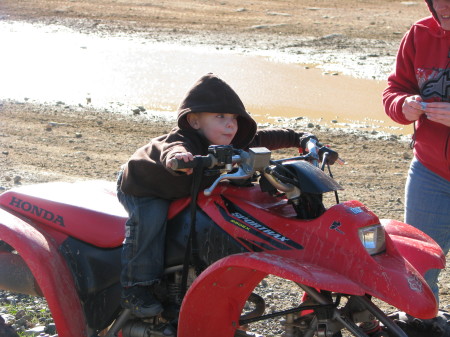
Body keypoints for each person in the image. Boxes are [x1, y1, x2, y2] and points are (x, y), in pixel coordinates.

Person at [116, 73, 322, 317]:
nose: (230, 124)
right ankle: (136, 287)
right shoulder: (183, 139)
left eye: (234, 118)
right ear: (194, 121)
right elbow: (172, 149)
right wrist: (179, 159)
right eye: (220, 116)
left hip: (188, 187)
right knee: (150, 223)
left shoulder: (235, 141)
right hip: (146, 186)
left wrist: (302, 139)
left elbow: (270, 137)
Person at [383, 0, 450, 304]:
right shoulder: (419, 33)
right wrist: (403, 105)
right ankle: (423, 325)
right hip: (430, 173)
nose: (443, 5)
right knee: (418, 268)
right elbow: (395, 88)